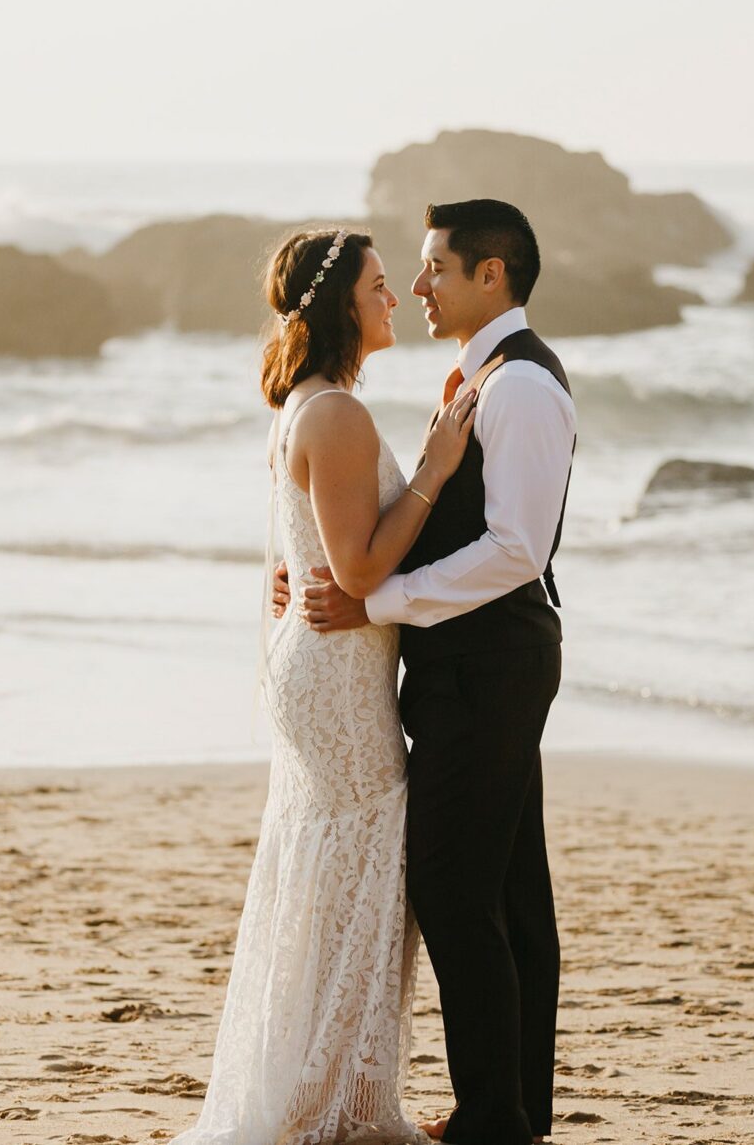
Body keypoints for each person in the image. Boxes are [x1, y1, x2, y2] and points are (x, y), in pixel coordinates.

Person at [276, 200, 577, 1145]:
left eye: (435, 268)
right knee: (508, 891)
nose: (417, 287)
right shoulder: (478, 375)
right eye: (403, 274)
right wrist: (334, 561)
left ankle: (494, 1116)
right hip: (469, 669)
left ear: (491, 274)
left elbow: (516, 549)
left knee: (454, 889)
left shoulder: (519, 386)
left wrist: (378, 601)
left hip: (489, 666)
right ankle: (513, 1110)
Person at [169, 227, 476, 1145]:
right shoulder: (338, 415)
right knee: (365, 882)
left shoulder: (308, 403)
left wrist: (312, 583)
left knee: (337, 883)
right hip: (337, 678)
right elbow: (357, 570)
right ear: (342, 302)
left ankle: (329, 1092)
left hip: (324, 666)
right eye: (383, 285)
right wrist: (434, 468)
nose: (397, 297)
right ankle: (324, 1106)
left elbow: (309, 556)